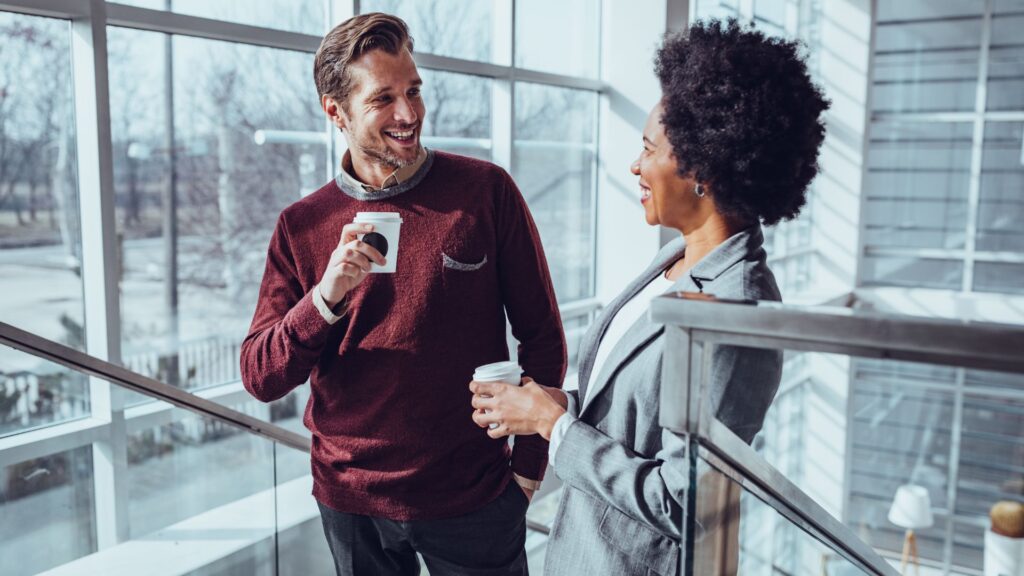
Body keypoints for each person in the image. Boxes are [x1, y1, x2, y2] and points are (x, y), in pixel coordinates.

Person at [469, 19, 830, 576]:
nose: (635, 166)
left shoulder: (737, 314)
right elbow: (638, 409)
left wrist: (551, 427)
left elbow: (684, 504)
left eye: (647, 149)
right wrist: (557, 403)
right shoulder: (677, 258)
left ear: (703, 167)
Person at [240, 12, 566, 576]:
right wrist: (324, 299)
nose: (408, 114)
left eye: (414, 91)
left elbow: (542, 335)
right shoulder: (302, 225)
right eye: (383, 98)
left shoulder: (485, 192)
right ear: (335, 111)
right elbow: (261, 376)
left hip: (476, 499)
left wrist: (529, 469)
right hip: (351, 505)